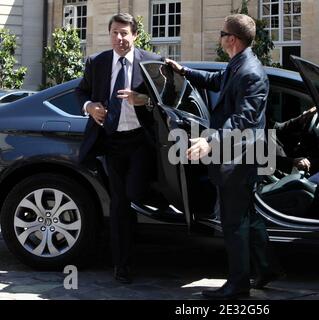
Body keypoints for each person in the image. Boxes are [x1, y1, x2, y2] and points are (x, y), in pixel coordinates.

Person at [167, 14, 283, 299]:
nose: (219, 38)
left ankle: (238, 283)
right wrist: (184, 71)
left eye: (221, 33)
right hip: (237, 152)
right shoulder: (238, 65)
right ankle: (266, 268)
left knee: (234, 223)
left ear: (231, 39)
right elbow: (217, 80)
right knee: (249, 217)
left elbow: (243, 119)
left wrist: (210, 140)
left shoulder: (251, 73)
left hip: (239, 157)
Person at [76, 13, 163, 284]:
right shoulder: (97, 62)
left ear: (134, 35)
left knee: (132, 194)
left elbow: (167, 99)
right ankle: (121, 264)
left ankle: (137, 238)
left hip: (141, 142)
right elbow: (81, 92)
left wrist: (144, 100)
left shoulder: (152, 62)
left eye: (125, 33)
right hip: (111, 142)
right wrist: (90, 107)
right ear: (110, 34)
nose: (120, 38)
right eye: (115, 32)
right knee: (119, 205)